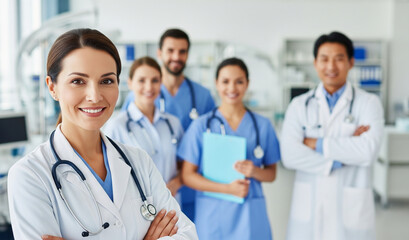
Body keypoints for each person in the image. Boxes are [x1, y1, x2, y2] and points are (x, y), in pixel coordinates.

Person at [7, 28, 197, 240]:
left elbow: (187, 235)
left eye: (106, 81)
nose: (95, 96)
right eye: (78, 81)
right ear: (52, 87)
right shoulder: (30, 176)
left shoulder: (139, 161)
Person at [281, 31, 384, 240]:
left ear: (351, 62)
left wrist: (314, 143)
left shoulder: (369, 103)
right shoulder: (299, 105)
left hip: (351, 212)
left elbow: (368, 152)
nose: (331, 66)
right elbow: (290, 155)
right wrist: (343, 152)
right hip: (308, 210)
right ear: (315, 62)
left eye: (339, 59)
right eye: (324, 59)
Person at [178, 57, 280, 240]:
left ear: (247, 84)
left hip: (250, 213)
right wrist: (228, 189)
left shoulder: (263, 125)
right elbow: (187, 176)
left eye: (239, 81)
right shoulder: (201, 126)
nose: (232, 88)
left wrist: (254, 171)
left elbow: (271, 174)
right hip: (213, 214)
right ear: (217, 83)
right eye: (225, 81)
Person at [122, 28, 216, 221]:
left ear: (188, 55)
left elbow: (210, 144)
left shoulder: (203, 96)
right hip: (145, 198)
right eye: (170, 50)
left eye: (182, 51)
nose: (176, 56)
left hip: (189, 190)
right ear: (160, 53)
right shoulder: (139, 95)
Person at [105, 56, 184, 201]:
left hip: (173, 206)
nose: (149, 87)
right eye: (141, 80)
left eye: (155, 80)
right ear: (130, 83)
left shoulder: (173, 123)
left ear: (161, 83)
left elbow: (184, 165)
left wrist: (176, 183)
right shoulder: (117, 126)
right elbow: (108, 174)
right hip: (138, 207)